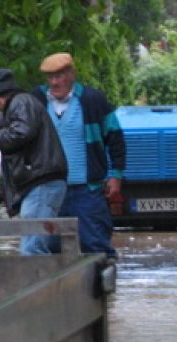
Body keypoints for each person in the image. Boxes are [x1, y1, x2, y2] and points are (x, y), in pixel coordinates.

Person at [32, 53, 125, 257]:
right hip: (50, 190)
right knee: (51, 246)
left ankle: (102, 286)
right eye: (50, 77)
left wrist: (116, 174)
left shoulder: (92, 100)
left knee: (95, 244)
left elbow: (115, 137)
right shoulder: (37, 101)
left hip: (87, 190)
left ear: (71, 75)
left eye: (59, 76)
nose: (55, 82)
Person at [0, 68, 67, 255]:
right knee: (35, 246)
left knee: (32, 249)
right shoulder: (23, 104)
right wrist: (0, 195)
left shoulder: (21, 102)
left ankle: (40, 284)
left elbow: (23, 132)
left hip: (41, 184)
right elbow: (19, 162)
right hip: (39, 185)